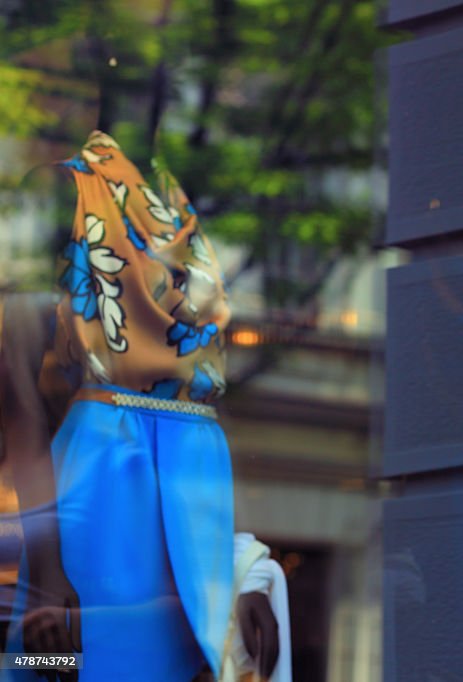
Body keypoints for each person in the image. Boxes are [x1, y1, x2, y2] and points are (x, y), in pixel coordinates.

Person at [0, 17, 280, 682]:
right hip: (106, 476)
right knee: (94, 667)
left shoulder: (181, 209)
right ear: (108, 61)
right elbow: (19, 399)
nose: (169, 68)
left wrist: (246, 568)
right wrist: (46, 576)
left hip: (195, 482)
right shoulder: (61, 189)